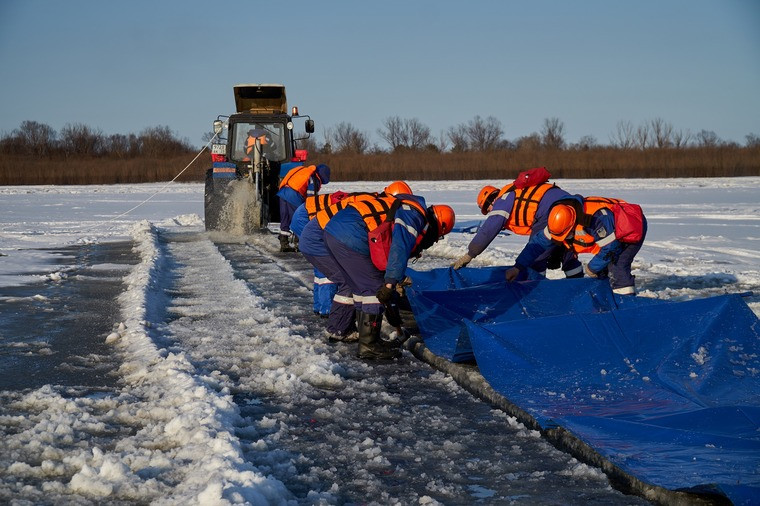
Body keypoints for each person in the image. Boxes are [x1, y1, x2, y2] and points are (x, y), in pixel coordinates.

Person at [323, 192, 455, 359]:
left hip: (333, 232)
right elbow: (399, 248)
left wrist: (391, 285)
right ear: (438, 226)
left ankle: (367, 338)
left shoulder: (406, 207)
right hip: (351, 235)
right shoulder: (414, 216)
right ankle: (369, 346)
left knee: (359, 288)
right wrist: (390, 283)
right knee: (373, 289)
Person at [296, 182, 413, 342]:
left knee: (356, 278)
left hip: (322, 234)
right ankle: (339, 329)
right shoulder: (379, 207)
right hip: (318, 239)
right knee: (350, 279)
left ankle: (346, 325)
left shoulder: (374, 202)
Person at [452, 168, 582, 280]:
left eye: (487, 209)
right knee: (567, 248)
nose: (490, 212)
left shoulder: (502, 200)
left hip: (548, 210)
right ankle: (578, 286)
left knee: (535, 254)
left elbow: (488, 230)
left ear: (490, 201)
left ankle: (536, 291)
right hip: (570, 204)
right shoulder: (514, 192)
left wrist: (470, 254)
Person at [510, 195, 647, 295]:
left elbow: (611, 248)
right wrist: (517, 267)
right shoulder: (557, 220)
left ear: (572, 224)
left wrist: (592, 268)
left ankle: (625, 302)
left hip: (629, 226)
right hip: (607, 236)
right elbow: (537, 244)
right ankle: (606, 297)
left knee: (617, 266)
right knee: (602, 269)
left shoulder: (595, 219)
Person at [276, 163, 330, 252]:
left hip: (282, 193)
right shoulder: (313, 178)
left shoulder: (304, 171)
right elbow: (311, 198)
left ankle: (284, 243)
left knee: (285, 219)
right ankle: (300, 244)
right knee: (300, 218)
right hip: (293, 195)